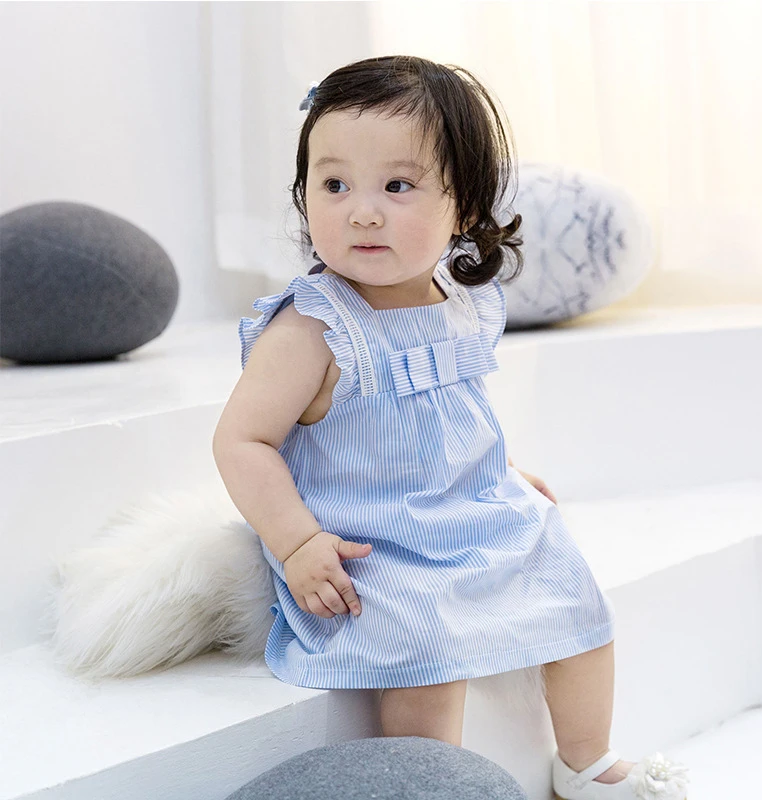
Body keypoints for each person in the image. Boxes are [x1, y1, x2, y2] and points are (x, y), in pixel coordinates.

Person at [213, 55, 690, 800]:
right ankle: (432, 782)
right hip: (373, 537)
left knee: (575, 598)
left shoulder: (459, 302)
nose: (361, 212)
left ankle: (585, 761)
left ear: (465, 205)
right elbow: (242, 441)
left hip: (465, 509)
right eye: (334, 185)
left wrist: (497, 472)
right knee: (427, 649)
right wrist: (297, 541)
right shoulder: (312, 329)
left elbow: (448, 416)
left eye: (397, 186)